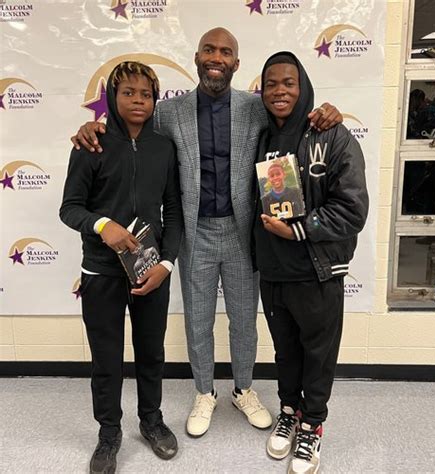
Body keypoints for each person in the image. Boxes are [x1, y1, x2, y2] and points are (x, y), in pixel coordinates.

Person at [71, 28, 343, 438]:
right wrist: (92, 128)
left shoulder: (255, 107)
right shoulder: (168, 111)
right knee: (197, 320)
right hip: (194, 231)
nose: (217, 57)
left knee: (243, 321)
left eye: (226, 52)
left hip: (243, 232)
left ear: (236, 63)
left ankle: (244, 389)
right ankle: (204, 392)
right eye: (209, 50)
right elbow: (128, 125)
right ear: (197, 57)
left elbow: (292, 111)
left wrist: (327, 112)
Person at [60, 61, 183, 473]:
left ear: (155, 99)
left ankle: (151, 420)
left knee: (151, 353)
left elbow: (174, 210)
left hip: (150, 270)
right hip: (101, 273)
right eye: (128, 92)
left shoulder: (164, 148)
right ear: (113, 97)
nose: (138, 101)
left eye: (146, 94)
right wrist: (102, 225)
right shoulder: (91, 144)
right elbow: (70, 208)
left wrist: (167, 263)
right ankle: (109, 432)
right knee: (106, 359)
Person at [253, 52, 368, 473]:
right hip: (273, 272)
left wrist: (299, 230)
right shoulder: (260, 136)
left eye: (289, 83)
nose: (279, 91)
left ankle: (312, 425)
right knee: (285, 352)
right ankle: (289, 411)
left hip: (316, 270)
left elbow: (352, 210)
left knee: (318, 355)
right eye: (271, 84)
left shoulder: (332, 134)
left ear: (303, 87)